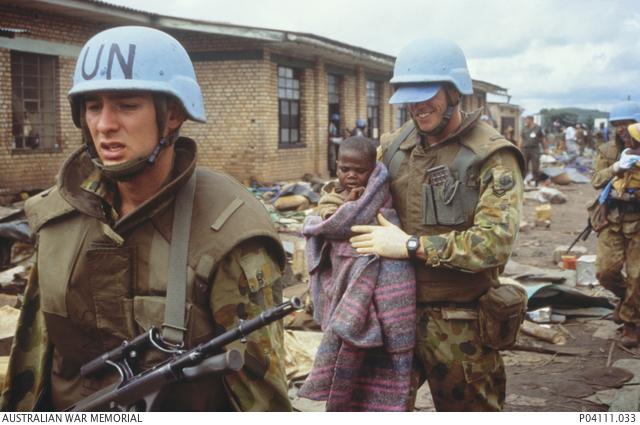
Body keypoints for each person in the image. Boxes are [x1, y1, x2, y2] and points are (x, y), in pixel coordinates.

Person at [0, 26, 291, 411]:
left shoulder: (231, 230)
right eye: (93, 106)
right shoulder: (58, 217)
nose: (104, 125)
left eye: (126, 105)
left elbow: (261, 400)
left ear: (172, 114)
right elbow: (32, 362)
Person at [349, 37, 525, 411]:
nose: (417, 106)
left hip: (460, 326)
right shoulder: (395, 146)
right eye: (409, 96)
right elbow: (352, 188)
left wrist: (411, 246)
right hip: (394, 315)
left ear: (454, 92)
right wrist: (335, 205)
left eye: (427, 94)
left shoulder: (492, 156)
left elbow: (493, 243)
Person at [299, 136, 416, 411]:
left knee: (379, 353)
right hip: (343, 276)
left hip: (379, 271)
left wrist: (358, 207)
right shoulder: (331, 193)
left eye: (359, 170)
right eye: (344, 169)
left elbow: (387, 220)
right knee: (344, 338)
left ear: (373, 169)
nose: (350, 175)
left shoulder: (381, 193)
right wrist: (345, 208)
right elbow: (326, 223)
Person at [591, 101, 640, 348]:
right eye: (617, 124)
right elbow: (596, 180)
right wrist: (616, 168)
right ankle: (627, 302)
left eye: (626, 123)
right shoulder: (608, 150)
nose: (621, 129)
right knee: (605, 271)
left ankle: (631, 322)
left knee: (637, 275)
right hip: (612, 217)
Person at [520, 115, 546, 185]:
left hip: (535, 149)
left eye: (527, 120)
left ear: (531, 120)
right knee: (524, 165)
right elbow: (522, 139)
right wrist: (519, 148)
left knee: (535, 166)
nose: (526, 121)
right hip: (525, 149)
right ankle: (523, 180)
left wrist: (545, 148)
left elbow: (543, 138)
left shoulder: (538, 128)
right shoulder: (524, 128)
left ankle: (535, 181)